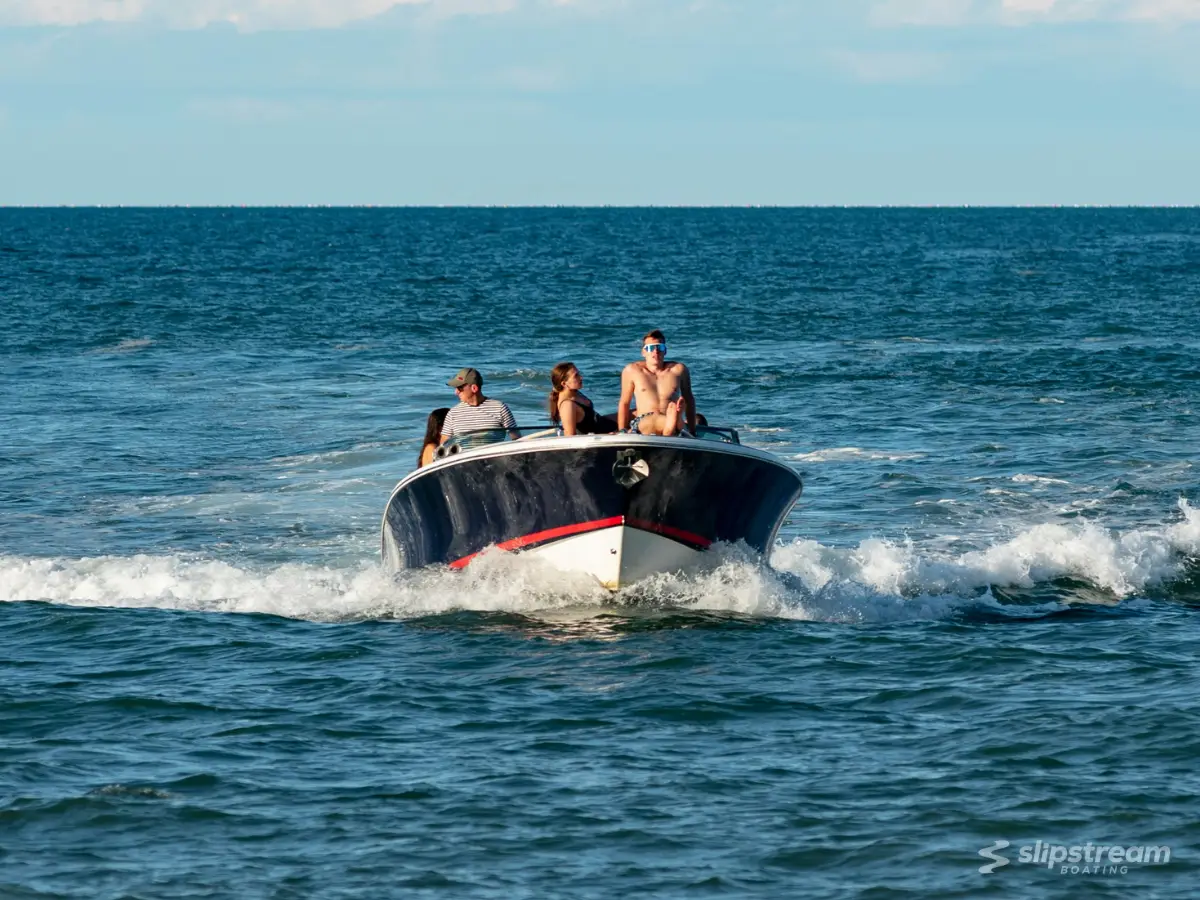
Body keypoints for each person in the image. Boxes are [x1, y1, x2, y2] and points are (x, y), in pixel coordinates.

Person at [618, 329, 696, 436]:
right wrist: (622, 430)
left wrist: (692, 430)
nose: (656, 351)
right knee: (657, 421)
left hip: (666, 416)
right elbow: (624, 402)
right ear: (643, 352)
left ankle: (673, 421)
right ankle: (673, 422)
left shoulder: (678, 370)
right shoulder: (632, 371)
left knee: (669, 419)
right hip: (646, 419)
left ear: (665, 351)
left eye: (660, 347)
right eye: (650, 348)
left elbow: (689, 400)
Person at [440, 367, 518, 442]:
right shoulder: (453, 413)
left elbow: (516, 439)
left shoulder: (500, 408)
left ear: (474, 388)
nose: (456, 392)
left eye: (460, 388)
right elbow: (444, 445)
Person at [549, 362, 602, 436]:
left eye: (579, 374)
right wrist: (607, 435)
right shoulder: (567, 405)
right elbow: (570, 436)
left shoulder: (575, 392)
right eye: (576, 376)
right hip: (599, 434)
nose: (581, 377)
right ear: (564, 384)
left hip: (600, 425)